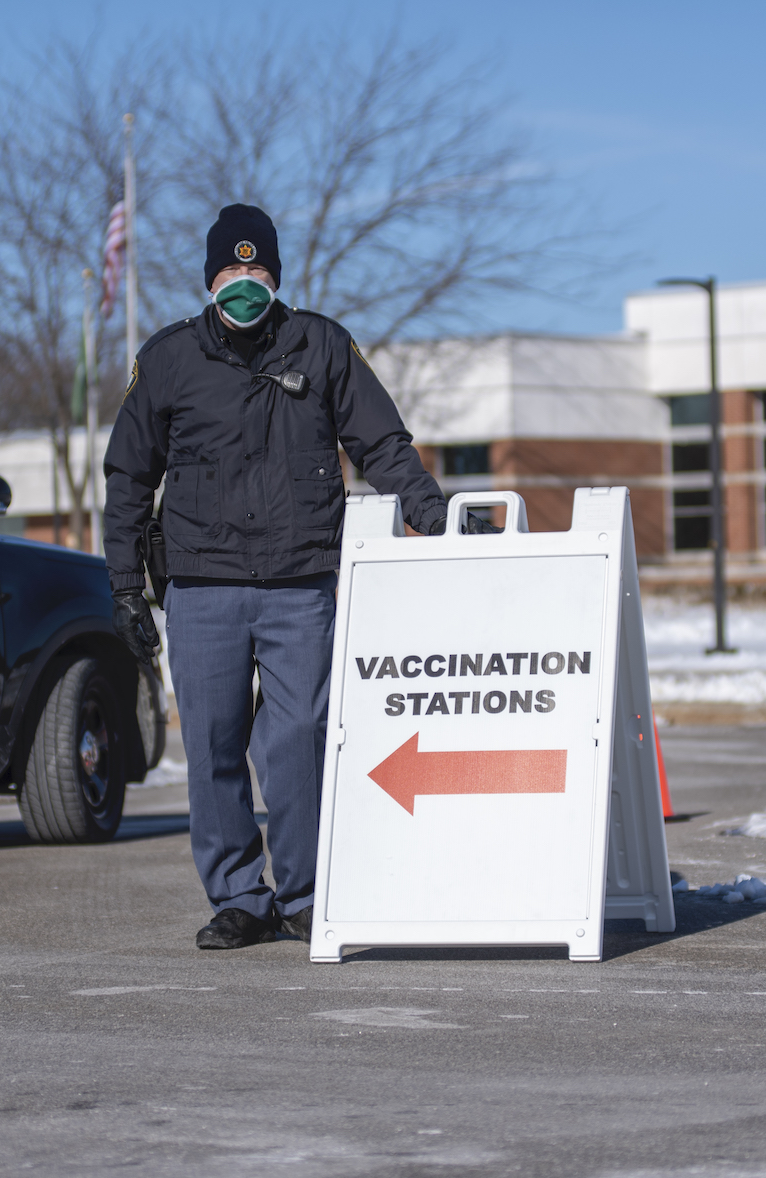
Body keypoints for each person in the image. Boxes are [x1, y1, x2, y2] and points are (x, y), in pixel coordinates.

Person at [104, 203, 497, 951]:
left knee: (298, 740)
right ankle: (239, 897)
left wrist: (429, 508)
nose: (243, 281)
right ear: (210, 278)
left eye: (256, 269)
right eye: (230, 269)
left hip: (299, 583)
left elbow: (380, 440)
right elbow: (128, 476)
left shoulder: (321, 344)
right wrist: (124, 583)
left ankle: (306, 895)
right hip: (202, 584)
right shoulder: (168, 359)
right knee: (215, 743)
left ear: (275, 276)